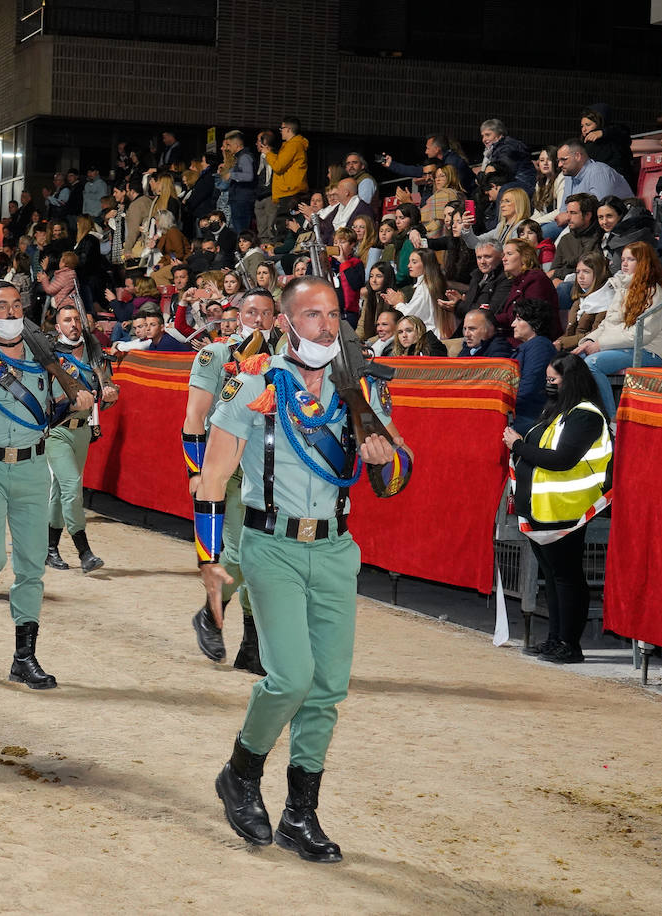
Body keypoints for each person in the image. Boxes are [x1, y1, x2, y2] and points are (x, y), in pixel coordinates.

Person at [200, 276, 408, 861]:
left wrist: (385, 453)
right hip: (273, 547)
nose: (325, 323)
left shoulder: (360, 387)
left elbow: (397, 472)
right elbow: (213, 477)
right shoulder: (255, 386)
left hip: (337, 550)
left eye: (333, 313)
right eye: (311, 314)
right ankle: (241, 772)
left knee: (326, 689)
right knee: (290, 677)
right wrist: (209, 560)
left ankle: (300, 813)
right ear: (287, 322)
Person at [0, 282, 94, 691]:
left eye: (16, 306)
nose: (10, 313)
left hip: (32, 468)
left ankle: (23, 658)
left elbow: (49, 416)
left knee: (31, 567)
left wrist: (75, 402)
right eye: (1, 307)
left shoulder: (47, 362)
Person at [183, 290, 280, 674]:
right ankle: (212, 613)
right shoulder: (217, 355)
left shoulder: (285, 358)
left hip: (272, 474)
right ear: (237, 315)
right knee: (243, 555)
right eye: (251, 312)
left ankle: (250, 648)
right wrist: (196, 471)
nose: (258, 319)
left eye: (267, 313)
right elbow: (195, 416)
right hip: (231, 472)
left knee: (263, 560)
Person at [504, 353, 612, 663]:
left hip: (567, 509)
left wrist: (518, 446)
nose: (549, 385)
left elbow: (562, 459)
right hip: (542, 508)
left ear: (571, 380)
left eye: (554, 380)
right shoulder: (558, 411)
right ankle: (555, 638)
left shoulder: (586, 415)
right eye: (547, 380)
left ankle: (569, 644)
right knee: (552, 576)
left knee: (566, 577)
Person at [44, 302, 119, 573]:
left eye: (76, 319)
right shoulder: (50, 355)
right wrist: (68, 402)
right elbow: (43, 398)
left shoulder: (93, 353)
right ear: (57, 326)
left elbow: (105, 391)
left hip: (83, 430)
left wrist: (110, 394)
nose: (73, 324)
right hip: (57, 430)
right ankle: (84, 551)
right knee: (72, 487)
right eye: (67, 320)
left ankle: (49, 549)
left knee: (60, 492)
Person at [573, 243, 662, 418]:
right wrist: (588, 341)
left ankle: (611, 420)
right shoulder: (623, 289)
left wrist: (600, 345)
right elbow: (607, 324)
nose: (624, 263)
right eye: (624, 259)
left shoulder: (655, 293)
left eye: (631, 259)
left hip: (648, 351)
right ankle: (583, 416)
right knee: (572, 362)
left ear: (643, 263)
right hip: (622, 347)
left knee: (592, 364)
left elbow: (641, 335)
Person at [508, 298, 559, 433]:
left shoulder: (539, 346)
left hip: (530, 416)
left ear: (535, 323)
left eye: (519, 319)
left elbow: (530, 386)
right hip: (519, 413)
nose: (513, 324)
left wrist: (504, 403)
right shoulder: (530, 346)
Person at [502, 239, 560, 333]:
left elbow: (530, 316)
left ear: (525, 256)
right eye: (504, 255)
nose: (504, 259)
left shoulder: (536, 278)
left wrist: (491, 319)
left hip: (534, 338)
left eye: (509, 254)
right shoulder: (518, 280)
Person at [555, 141, 632, 211]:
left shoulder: (599, 172)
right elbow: (564, 210)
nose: (559, 165)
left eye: (564, 160)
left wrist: (569, 217)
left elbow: (599, 211)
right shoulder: (569, 176)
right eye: (558, 161)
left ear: (577, 156)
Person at [262, 117, 309, 215]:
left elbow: (278, 167)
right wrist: (270, 153)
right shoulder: (291, 145)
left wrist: (268, 154)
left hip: (290, 192)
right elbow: (282, 162)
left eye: (281, 128)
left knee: (283, 225)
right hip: (289, 191)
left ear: (288, 129)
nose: (280, 131)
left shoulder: (293, 145)